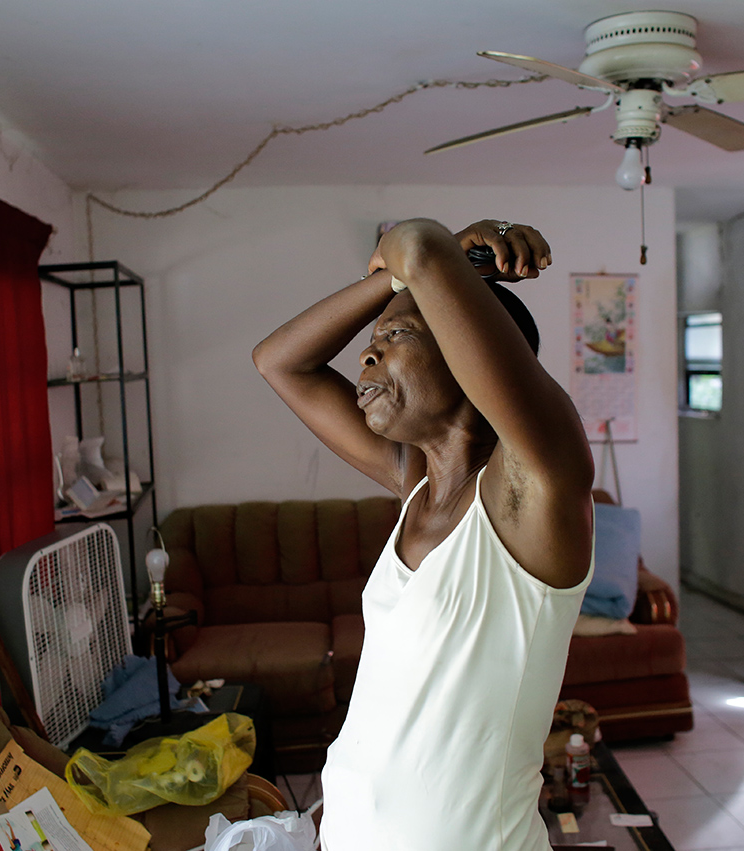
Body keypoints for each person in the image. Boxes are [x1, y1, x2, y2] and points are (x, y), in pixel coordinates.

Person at [253, 218, 594, 851]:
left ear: (472, 354)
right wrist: (394, 281)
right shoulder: (416, 483)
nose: (366, 353)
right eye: (374, 337)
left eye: (399, 333)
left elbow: (417, 239)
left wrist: (435, 261)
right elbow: (279, 362)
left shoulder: (533, 491)